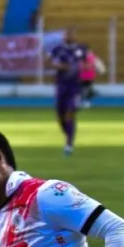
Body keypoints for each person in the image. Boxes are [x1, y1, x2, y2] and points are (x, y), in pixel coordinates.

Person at [49, 27, 88, 156]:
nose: (70, 36)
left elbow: (87, 64)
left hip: (75, 87)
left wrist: (84, 71)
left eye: (72, 34)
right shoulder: (58, 49)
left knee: (70, 113)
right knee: (60, 115)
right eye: (67, 34)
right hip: (61, 86)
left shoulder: (81, 49)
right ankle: (68, 134)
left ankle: (69, 143)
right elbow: (50, 62)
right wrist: (60, 66)